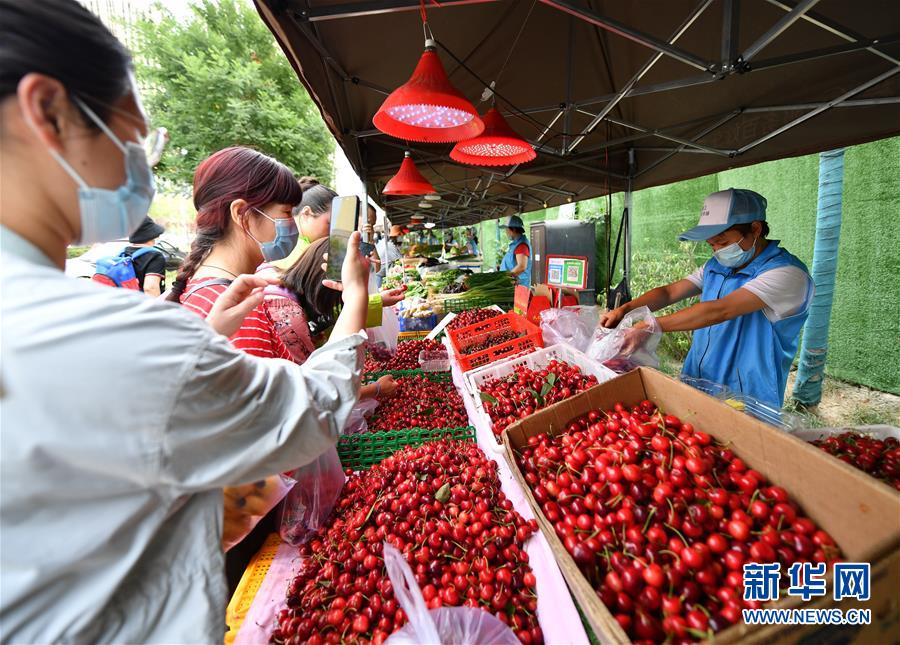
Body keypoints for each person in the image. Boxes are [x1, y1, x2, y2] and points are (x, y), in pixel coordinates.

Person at [0, 2, 370, 642]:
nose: (143, 164)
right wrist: (359, 297)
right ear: (49, 111)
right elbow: (310, 412)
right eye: (135, 135)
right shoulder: (108, 332)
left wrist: (200, 343)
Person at [600, 188, 813, 408]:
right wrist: (625, 309)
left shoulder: (787, 274)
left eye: (722, 242)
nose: (717, 251)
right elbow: (669, 292)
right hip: (698, 381)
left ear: (755, 228)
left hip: (747, 396)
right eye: (711, 244)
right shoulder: (716, 265)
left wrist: (649, 326)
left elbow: (720, 310)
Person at [167, 146, 303, 360]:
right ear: (241, 213)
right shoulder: (235, 312)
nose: (293, 224)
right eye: (286, 212)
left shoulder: (208, 289)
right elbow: (279, 394)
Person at [268, 237, 397, 399]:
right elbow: (313, 393)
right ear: (329, 288)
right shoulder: (289, 317)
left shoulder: (281, 286)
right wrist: (375, 389)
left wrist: (376, 301)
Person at [122, 215, 166, 296]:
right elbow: (150, 288)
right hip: (142, 305)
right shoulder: (155, 256)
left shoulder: (124, 253)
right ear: (152, 235)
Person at [499, 214, 532, 286]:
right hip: (512, 285)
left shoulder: (521, 245)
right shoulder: (516, 244)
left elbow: (521, 266)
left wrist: (505, 279)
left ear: (513, 229)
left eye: (507, 229)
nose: (506, 232)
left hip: (518, 286)